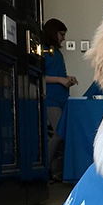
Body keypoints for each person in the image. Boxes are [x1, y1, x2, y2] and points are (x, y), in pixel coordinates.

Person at [43, 18, 78, 181]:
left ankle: (55, 170)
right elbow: (40, 77)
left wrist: (67, 79)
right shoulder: (43, 51)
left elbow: (57, 75)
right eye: (61, 34)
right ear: (53, 33)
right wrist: (60, 80)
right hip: (50, 100)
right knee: (58, 133)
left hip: (63, 98)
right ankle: (45, 167)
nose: (63, 38)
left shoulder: (56, 52)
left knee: (64, 133)